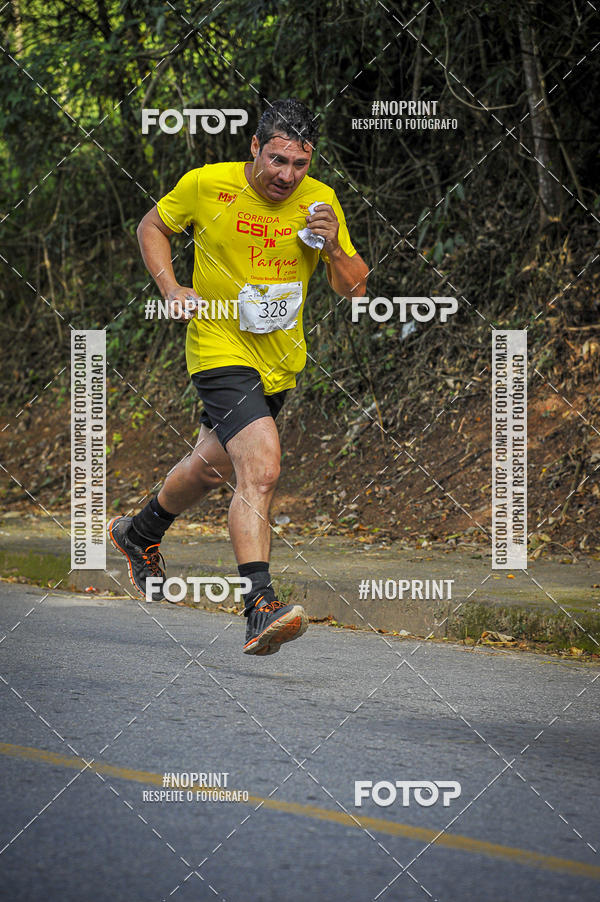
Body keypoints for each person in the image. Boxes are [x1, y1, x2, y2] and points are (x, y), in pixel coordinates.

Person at [108, 97, 368, 656]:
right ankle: (259, 606)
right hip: (218, 346)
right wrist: (172, 289)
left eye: (299, 165)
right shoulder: (209, 185)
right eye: (277, 160)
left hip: (281, 363)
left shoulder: (320, 202)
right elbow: (152, 225)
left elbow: (355, 289)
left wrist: (334, 246)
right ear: (255, 147)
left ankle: (140, 531)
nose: (286, 176)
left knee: (210, 468)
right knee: (263, 465)